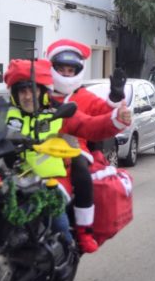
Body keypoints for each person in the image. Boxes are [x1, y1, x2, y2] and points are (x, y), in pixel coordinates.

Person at [3, 58, 131, 252]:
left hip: (53, 177)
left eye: (32, 90)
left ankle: (68, 245)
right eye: (22, 91)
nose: (28, 96)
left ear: (42, 91)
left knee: (54, 211)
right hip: (15, 176)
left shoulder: (58, 113)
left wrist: (116, 119)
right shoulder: (6, 114)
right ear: (14, 93)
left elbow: (91, 125)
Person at [46, 39, 127, 253]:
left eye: (70, 70)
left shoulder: (83, 96)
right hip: (36, 147)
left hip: (74, 147)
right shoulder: (39, 92)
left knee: (81, 172)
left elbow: (103, 113)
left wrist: (116, 97)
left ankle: (83, 231)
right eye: (61, 69)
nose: (66, 74)